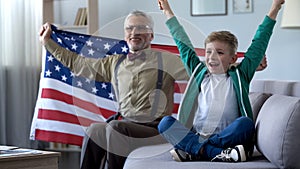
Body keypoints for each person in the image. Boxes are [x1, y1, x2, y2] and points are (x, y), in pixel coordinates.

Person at [39, 10, 189, 169]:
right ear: (125, 35)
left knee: (115, 127)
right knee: (94, 130)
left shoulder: (165, 60)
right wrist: (48, 42)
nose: (134, 32)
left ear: (151, 35)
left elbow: (194, 70)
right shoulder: (115, 63)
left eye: (141, 28)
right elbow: (79, 65)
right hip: (126, 125)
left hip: (157, 129)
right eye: (130, 28)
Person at [157, 0, 284, 162]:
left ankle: (194, 150)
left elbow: (259, 42)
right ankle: (215, 152)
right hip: (197, 134)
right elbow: (182, 43)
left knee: (245, 124)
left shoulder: (241, 74)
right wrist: (167, 11)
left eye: (220, 52)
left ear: (233, 58)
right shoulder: (198, 72)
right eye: (209, 52)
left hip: (228, 136)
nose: (212, 57)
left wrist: (275, 8)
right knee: (165, 123)